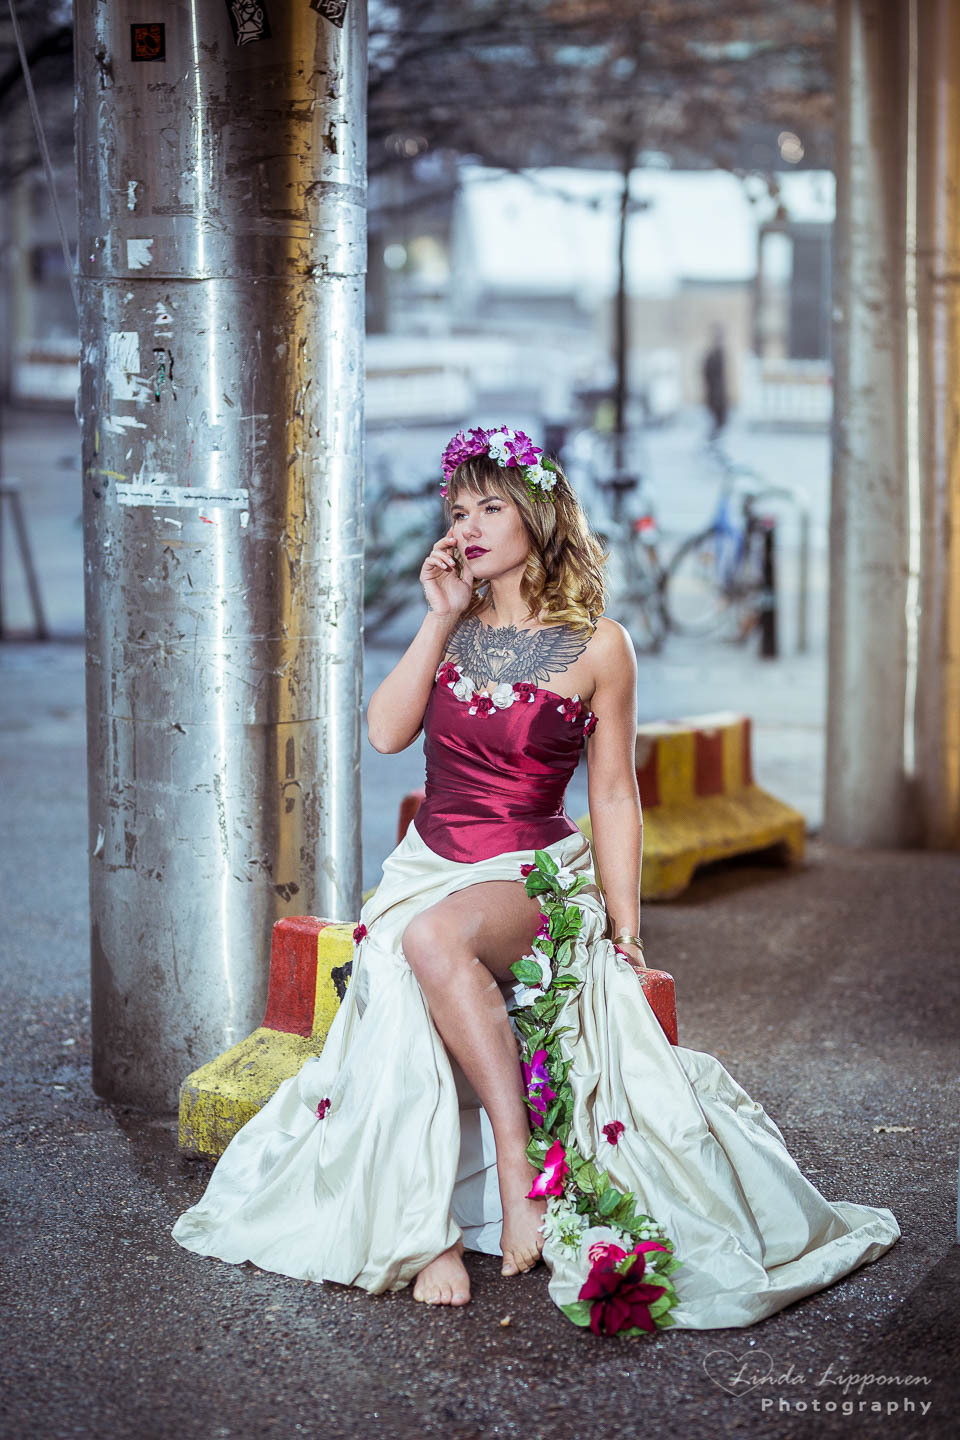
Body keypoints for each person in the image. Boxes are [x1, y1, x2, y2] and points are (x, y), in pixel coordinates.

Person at [172, 426, 900, 1334]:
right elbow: (386, 734)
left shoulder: (600, 646)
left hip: (530, 871)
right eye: (458, 511)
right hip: (429, 865)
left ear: (538, 515)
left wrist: (626, 931)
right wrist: (437, 614)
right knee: (403, 964)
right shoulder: (453, 626)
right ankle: (425, 1229)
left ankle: (517, 1171)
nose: (468, 527)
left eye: (491, 507)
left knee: (427, 940)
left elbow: (615, 795)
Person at [703, 325, 729, 440]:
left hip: (718, 392)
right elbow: (707, 373)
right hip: (715, 392)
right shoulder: (713, 354)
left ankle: (714, 440)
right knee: (718, 421)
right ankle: (712, 441)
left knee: (720, 421)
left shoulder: (719, 353)